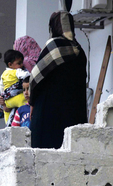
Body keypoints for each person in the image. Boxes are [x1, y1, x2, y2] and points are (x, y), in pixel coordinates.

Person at [29, 11, 87, 149]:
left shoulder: (54, 45)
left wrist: (32, 102)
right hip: (73, 112)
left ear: (53, 26)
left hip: (48, 112)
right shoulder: (80, 51)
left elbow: (35, 78)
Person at [0, 49, 31, 125]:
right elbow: (26, 75)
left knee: (7, 114)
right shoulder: (17, 71)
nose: (22, 65)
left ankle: (8, 123)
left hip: (7, 100)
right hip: (16, 98)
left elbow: (1, 87)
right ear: (10, 64)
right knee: (24, 100)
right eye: (19, 63)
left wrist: (3, 97)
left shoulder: (3, 74)